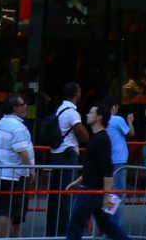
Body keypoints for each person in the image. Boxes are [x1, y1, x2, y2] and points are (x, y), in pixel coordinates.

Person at [64, 102, 129, 240]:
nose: (87, 114)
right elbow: (92, 167)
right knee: (107, 226)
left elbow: (107, 169)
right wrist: (77, 182)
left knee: (75, 225)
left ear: (99, 117)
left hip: (91, 191)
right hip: (93, 189)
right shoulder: (98, 138)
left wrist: (106, 195)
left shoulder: (102, 139)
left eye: (91, 112)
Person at [48, 82, 90, 236]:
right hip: (67, 154)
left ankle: (53, 230)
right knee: (67, 192)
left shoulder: (59, 109)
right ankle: (65, 231)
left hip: (56, 154)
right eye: (79, 91)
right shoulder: (72, 113)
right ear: (76, 94)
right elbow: (84, 136)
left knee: (56, 194)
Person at [0, 95, 34, 238]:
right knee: (10, 211)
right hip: (15, 175)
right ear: (15, 108)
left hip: (4, 173)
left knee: (8, 210)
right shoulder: (17, 126)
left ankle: (9, 237)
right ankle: (5, 237)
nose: (26, 106)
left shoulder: (2, 122)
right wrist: (32, 169)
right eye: (23, 104)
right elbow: (22, 151)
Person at [103, 97, 134, 224]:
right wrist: (130, 121)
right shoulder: (117, 119)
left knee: (108, 193)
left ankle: (106, 223)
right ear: (114, 107)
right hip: (119, 161)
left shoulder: (103, 120)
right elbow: (131, 133)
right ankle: (114, 225)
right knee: (118, 194)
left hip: (108, 159)